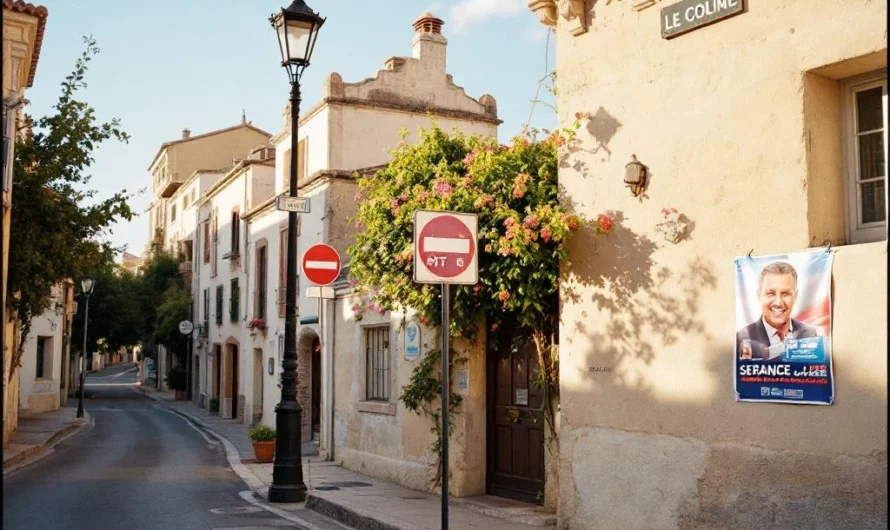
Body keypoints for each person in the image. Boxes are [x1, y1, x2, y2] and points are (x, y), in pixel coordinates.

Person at [736, 261, 818, 361]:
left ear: (795, 296)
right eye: (771, 293)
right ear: (759, 295)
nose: (778, 303)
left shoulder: (809, 333)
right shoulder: (742, 337)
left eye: (785, 293)